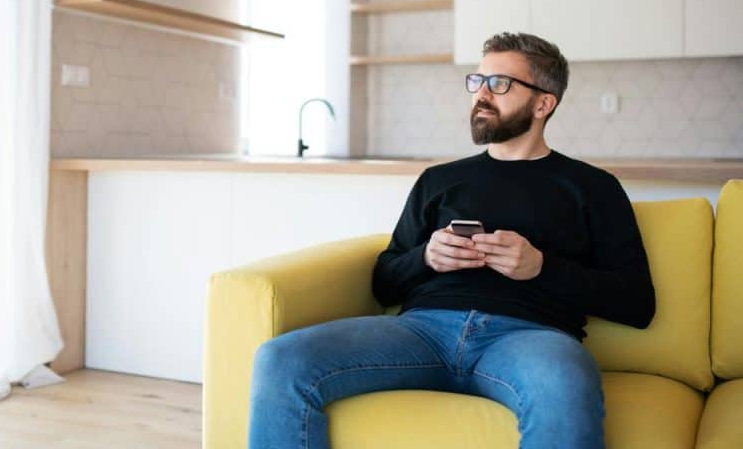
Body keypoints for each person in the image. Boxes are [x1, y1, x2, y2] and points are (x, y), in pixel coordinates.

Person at [247, 32, 656, 449]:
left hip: (529, 337)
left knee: (563, 380)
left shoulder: (594, 188)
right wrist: (426, 257)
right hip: (421, 331)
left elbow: (637, 304)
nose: (481, 95)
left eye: (499, 84)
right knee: (280, 359)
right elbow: (384, 283)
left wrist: (542, 268)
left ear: (543, 104)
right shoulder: (438, 180)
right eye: (478, 81)